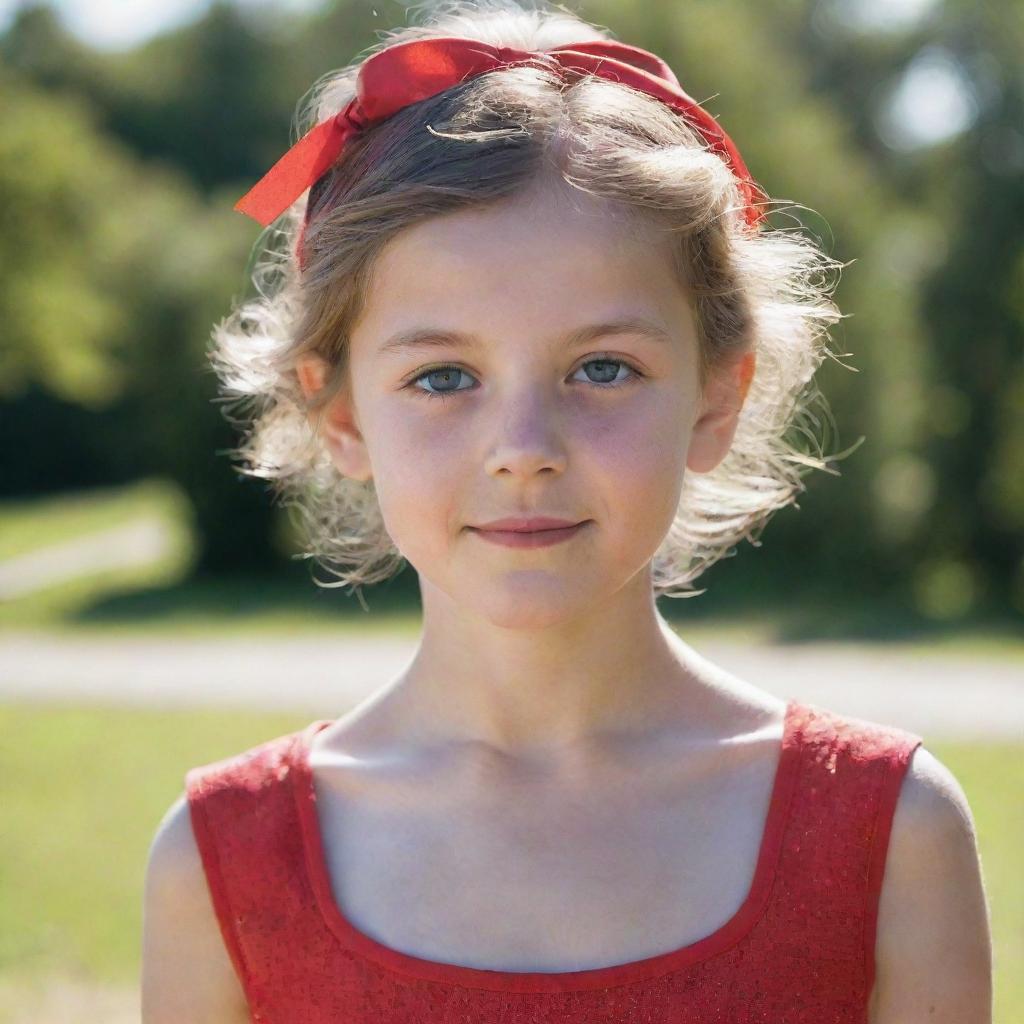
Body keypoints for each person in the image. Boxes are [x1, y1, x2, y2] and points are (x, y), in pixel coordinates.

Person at [141, 1, 992, 1021]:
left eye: (601, 367)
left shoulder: (888, 833)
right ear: (340, 412)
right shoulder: (222, 860)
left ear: (714, 397)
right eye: (444, 377)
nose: (525, 451)